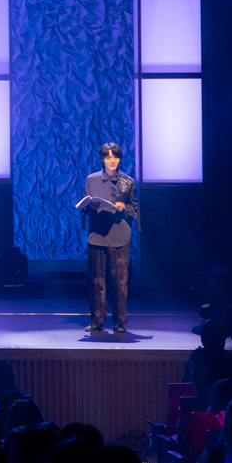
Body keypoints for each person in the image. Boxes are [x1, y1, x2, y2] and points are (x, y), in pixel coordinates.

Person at [81, 142, 138, 333]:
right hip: (97, 235)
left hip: (120, 235)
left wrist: (124, 207)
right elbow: (85, 208)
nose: (112, 160)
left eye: (115, 156)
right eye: (108, 157)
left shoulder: (128, 182)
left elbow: (134, 209)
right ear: (102, 159)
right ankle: (97, 320)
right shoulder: (92, 180)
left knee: (120, 281)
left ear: (120, 159)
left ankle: (119, 322)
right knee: (96, 280)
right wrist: (90, 206)